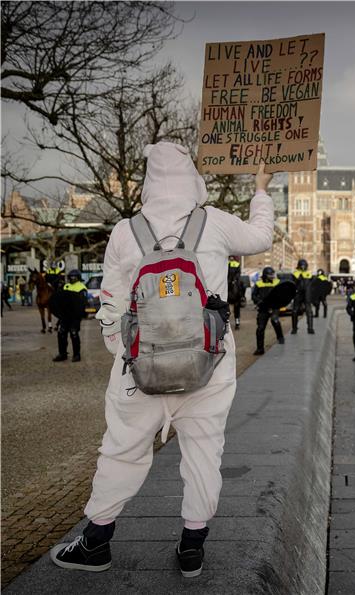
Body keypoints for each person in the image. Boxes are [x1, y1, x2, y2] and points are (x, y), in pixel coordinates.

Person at [50, 143, 275, 578]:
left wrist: (125, 355)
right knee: (204, 451)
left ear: (148, 183)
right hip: (208, 366)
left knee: (122, 450)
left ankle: (96, 543)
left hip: (142, 368)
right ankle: (192, 547)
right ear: (193, 178)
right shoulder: (214, 224)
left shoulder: (124, 231)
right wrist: (260, 189)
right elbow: (261, 237)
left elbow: (110, 302)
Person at [52, 269, 88, 362]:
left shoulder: (81, 287)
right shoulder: (66, 286)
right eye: (71, 276)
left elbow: (82, 303)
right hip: (65, 315)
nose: (72, 278)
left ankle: (77, 355)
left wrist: (81, 314)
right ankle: (62, 353)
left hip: (75, 316)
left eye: (74, 276)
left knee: (74, 333)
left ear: (78, 277)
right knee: (61, 333)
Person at [251, 266, 284, 355]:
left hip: (274, 307)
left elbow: (282, 294)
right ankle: (260, 349)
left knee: (275, 320)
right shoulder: (258, 284)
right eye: (270, 274)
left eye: (273, 274)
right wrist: (258, 301)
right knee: (260, 328)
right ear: (265, 275)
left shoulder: (277, 282)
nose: (272, 276)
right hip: (263, 308)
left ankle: (280, 338)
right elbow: (253, 296)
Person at [291, 258, 314, 335]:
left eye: (304, 265)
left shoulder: (309, 274)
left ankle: (310, 328)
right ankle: (294, 328)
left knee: (309, 311)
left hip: (307, 295)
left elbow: (313, 286)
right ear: (299, 266)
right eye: (301, 265)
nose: (303, 267)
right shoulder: (295, 273)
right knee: (294, 311)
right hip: (298, 294)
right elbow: (292, 284)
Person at [226, 256, 243, 329]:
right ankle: (242, 297)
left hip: (229, 282)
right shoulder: (237, 264)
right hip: (233, 281)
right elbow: (238, 274)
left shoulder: (226, 263)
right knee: (242, 286)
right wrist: (235, 280)